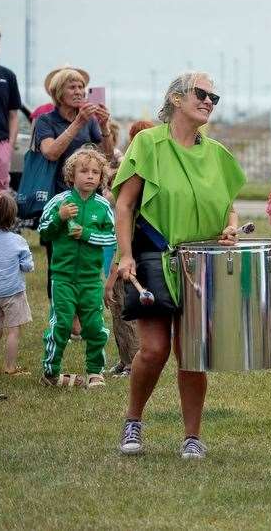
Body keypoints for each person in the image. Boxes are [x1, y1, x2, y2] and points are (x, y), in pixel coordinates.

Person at [111, 72, 246, 459]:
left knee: (192, 353)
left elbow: (229, 208)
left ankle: (192, 436)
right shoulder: (148, 142)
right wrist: (125, 255)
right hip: (155, 257)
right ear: (175, 98)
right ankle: (133, 420)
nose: (209, 101)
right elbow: (124, 204)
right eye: (201, 94)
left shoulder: (217, 154)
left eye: (214, 97)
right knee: (154, 350)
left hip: (203, 262)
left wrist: (232, 228)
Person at [38, 146, 115, 388]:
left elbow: (111, 238)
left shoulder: (103, 207)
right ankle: (50, 372)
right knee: (60, 324)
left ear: (101, 178)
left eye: (95, 172)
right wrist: (59, 219)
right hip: (62, 277)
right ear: (72, 175)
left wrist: (87, 234)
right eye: (84, 171)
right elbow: (43, 231)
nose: (90, 176)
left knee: (94, 325)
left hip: (91, 279)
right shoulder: (59, 202)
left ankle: (95, 371)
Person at [104, 120, 156, 377]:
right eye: (134, 137)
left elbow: (125, 218)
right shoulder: (133, 167)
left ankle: (133, 362)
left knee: (126, 309)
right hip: (123, 251)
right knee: (118, 309)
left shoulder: (140, 176)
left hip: (128, 253)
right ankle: (125, 359)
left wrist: (117, 265)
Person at [33, 66, 115, 200]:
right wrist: (78, 122)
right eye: (72, 87)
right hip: (57, 194)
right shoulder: (45, 120)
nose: (78, 92)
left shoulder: (89, 120)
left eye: (81, 87)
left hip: (87, 194)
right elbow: (51, 153)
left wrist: (104, 127)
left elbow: (107, 157)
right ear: (58, 93)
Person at [0, 190, 33, 375]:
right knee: (13, 331)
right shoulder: (18, 241)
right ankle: (10, 367)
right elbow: (27, 266)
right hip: (13, 293)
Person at [0, 26, 23, 191]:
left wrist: (9, 145)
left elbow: (13, 115)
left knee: (1, 192)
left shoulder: (7, 76)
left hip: (1, 142)